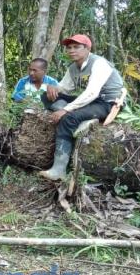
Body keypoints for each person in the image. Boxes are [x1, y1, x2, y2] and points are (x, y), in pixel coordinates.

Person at [39, 34, 126, 181]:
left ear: (87, 49)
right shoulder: (73, 67)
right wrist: (52, 88)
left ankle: (58, 170)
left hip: (107, 103)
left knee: (68, 119)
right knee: (46, 96)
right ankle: (78, 114)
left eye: (77, 47)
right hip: (91, 102)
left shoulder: (99, 63)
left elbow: (92, 92)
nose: (72, 50)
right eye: (69, 47)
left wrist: (66, 110)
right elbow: (64, 87)